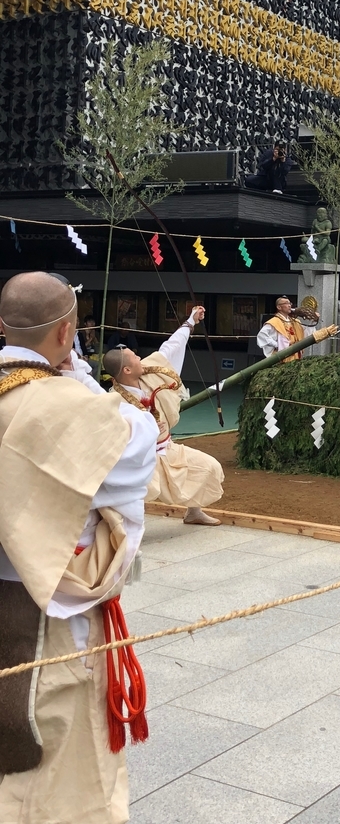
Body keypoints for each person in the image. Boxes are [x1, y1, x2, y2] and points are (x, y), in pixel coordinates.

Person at [0, 271, 158, 824]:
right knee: (63, 752)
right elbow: (139, 452)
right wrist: (85, 383)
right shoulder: (64, 402)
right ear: (68, 333)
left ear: (3, 326)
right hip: (46, 610)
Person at [102, 306, 224, 527]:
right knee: (140, 489)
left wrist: (190, 321)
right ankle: (114, 526)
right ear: (127, 371)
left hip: (168, 448)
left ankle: (193, 512)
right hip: (140, 459)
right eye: (135, 358)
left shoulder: (151, 371)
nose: (140, 358)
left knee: (209, 466)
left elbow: (171, 347)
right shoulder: (114, 402)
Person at [257, 296, 307, 361]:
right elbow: (262, 335)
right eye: (286, 303)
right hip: (281, 355)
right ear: (279, 307)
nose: (289, 305)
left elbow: (304, 333)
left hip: (295, 354)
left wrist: (312, 320)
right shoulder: (274, 322)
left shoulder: (295, 321)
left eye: (290, 303)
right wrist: (278, 345)